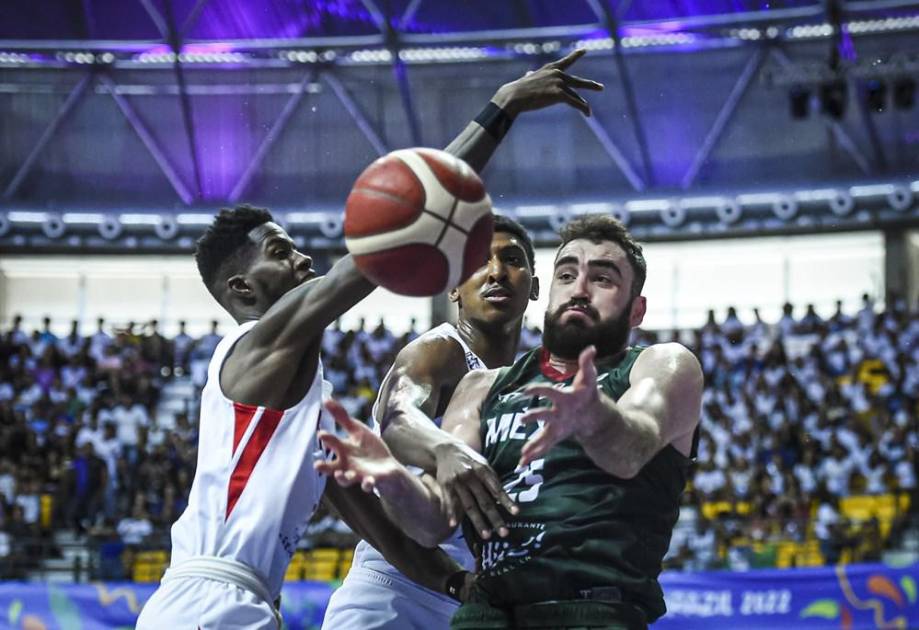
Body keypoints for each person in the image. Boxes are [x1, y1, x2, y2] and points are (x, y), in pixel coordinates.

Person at [137, 49, 601, 629]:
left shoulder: (306, 408)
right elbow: (398, 229)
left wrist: (456, 582)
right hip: (211, 601)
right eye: (280, 252)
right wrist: (502, 108)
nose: (303, 259)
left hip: (241, 603)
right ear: (242, 288)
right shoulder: (254, 346)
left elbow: (378, 526)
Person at [319, 215, 703, 630]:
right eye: (567, 274)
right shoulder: (465, 373)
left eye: (602, 279)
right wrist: (391, 476)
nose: (579, 289)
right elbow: (428, 507)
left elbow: (631, 446)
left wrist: (594, 414)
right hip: (425, 593)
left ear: (637, 310)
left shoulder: (659, 364)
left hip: (568, 605)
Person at [322, 214, 538, 629]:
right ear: (454, 288)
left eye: (512, 260)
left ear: (535, 286)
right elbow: (399, 417)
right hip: (394, 596)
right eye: (479, 262)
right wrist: (443, 449)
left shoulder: (527, 383)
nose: (496, 272)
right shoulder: (438, 351)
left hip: (470, 598)